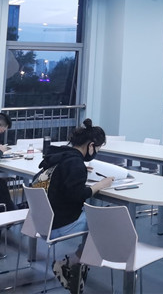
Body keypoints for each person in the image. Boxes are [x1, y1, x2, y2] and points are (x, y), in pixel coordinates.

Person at [41, 119, 114, 294]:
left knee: (95, 219)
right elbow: (77, 195)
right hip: (59, 224)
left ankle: (78, 265)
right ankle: (73, 263)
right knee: (103, 222)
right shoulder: (74, 163)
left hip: (42, 220)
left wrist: (79, 171)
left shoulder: (60, 156)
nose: (96, 152)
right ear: (91, 146)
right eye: (97, 148)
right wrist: (100, 185)